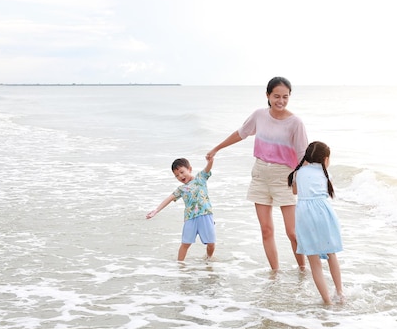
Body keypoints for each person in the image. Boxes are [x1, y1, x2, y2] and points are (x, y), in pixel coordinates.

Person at [206, 76, 308, 271]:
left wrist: (306, 181)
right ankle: (275, 273)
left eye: (285, 97)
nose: (281, 101)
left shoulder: (296, 122)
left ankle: (303, 270)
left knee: (292, 232)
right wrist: (216, 149)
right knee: (266, 230)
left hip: (284, 177)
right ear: (267, 95)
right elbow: (241, 133)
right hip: (260, 174)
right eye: (276, 96)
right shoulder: (259, 115)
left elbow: (303, 155)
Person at [288, 141, 344, 304]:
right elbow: (326, 191)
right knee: (331, 253)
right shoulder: (325, 173)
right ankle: (340, 293)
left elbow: (295, 191)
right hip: (324, 212)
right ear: (325, 159)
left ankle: (327, 301)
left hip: (304, 214)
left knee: (313, 260)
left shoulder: (298, 172)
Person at [146, 156, 215, 261]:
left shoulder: (200, 178)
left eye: (182, 172)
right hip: (190, 218)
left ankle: (209, 259)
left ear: (189, 169)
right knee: (185, 243)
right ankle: (180, 266)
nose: (180, 176)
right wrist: (156, 210)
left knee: (211, 243)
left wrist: (210, 161)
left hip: (205, 215)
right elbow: (169, 198)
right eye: (177, 175)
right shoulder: (181, 189)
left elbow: (207, 169)